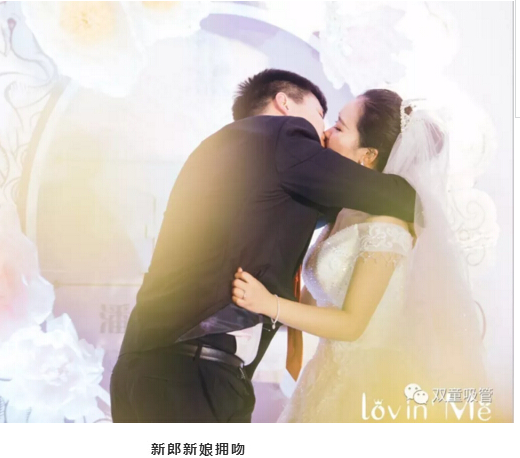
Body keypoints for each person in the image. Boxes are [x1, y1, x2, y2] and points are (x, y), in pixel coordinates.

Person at [110, 69, 416, 422]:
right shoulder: (286, 135)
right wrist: (424, 197)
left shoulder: (234, 153)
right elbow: (398, 197)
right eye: (322, 116)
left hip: (146, 365)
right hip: (191, 373)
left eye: (337, 126)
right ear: (284, 104)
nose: (324, 133)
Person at [231, 91, 488, 422]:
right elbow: (311, 304)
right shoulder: (344, 211)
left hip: (367, 381)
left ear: (368, 154)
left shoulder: (387, 224)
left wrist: (268, 303)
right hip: (326, 372)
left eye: (339, 127)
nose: (326, 132)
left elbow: (352, 324)